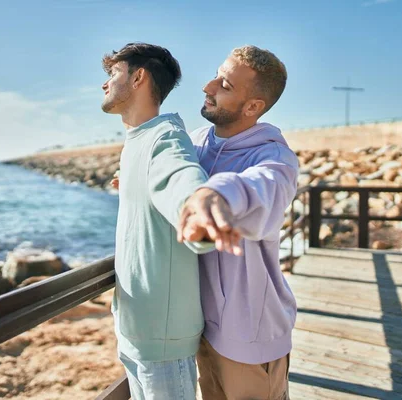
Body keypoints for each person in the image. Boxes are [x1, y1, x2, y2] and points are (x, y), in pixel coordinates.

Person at [101, 42, 240, 400]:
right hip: (135, 329)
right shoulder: (137, 141)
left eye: (112, 73)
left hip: (162, 340)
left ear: (138, 78)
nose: (104, 84)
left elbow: (180, 173)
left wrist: (197, 206)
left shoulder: (165, 136)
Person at [178, 45, 299, 400]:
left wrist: (216, 193)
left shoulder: (274, 156)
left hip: (249, 334)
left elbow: (263, 187)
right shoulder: (197, 142)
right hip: (201, 326)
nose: (208, 86)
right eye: (217, 74)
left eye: (225, 85)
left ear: (252, 107)